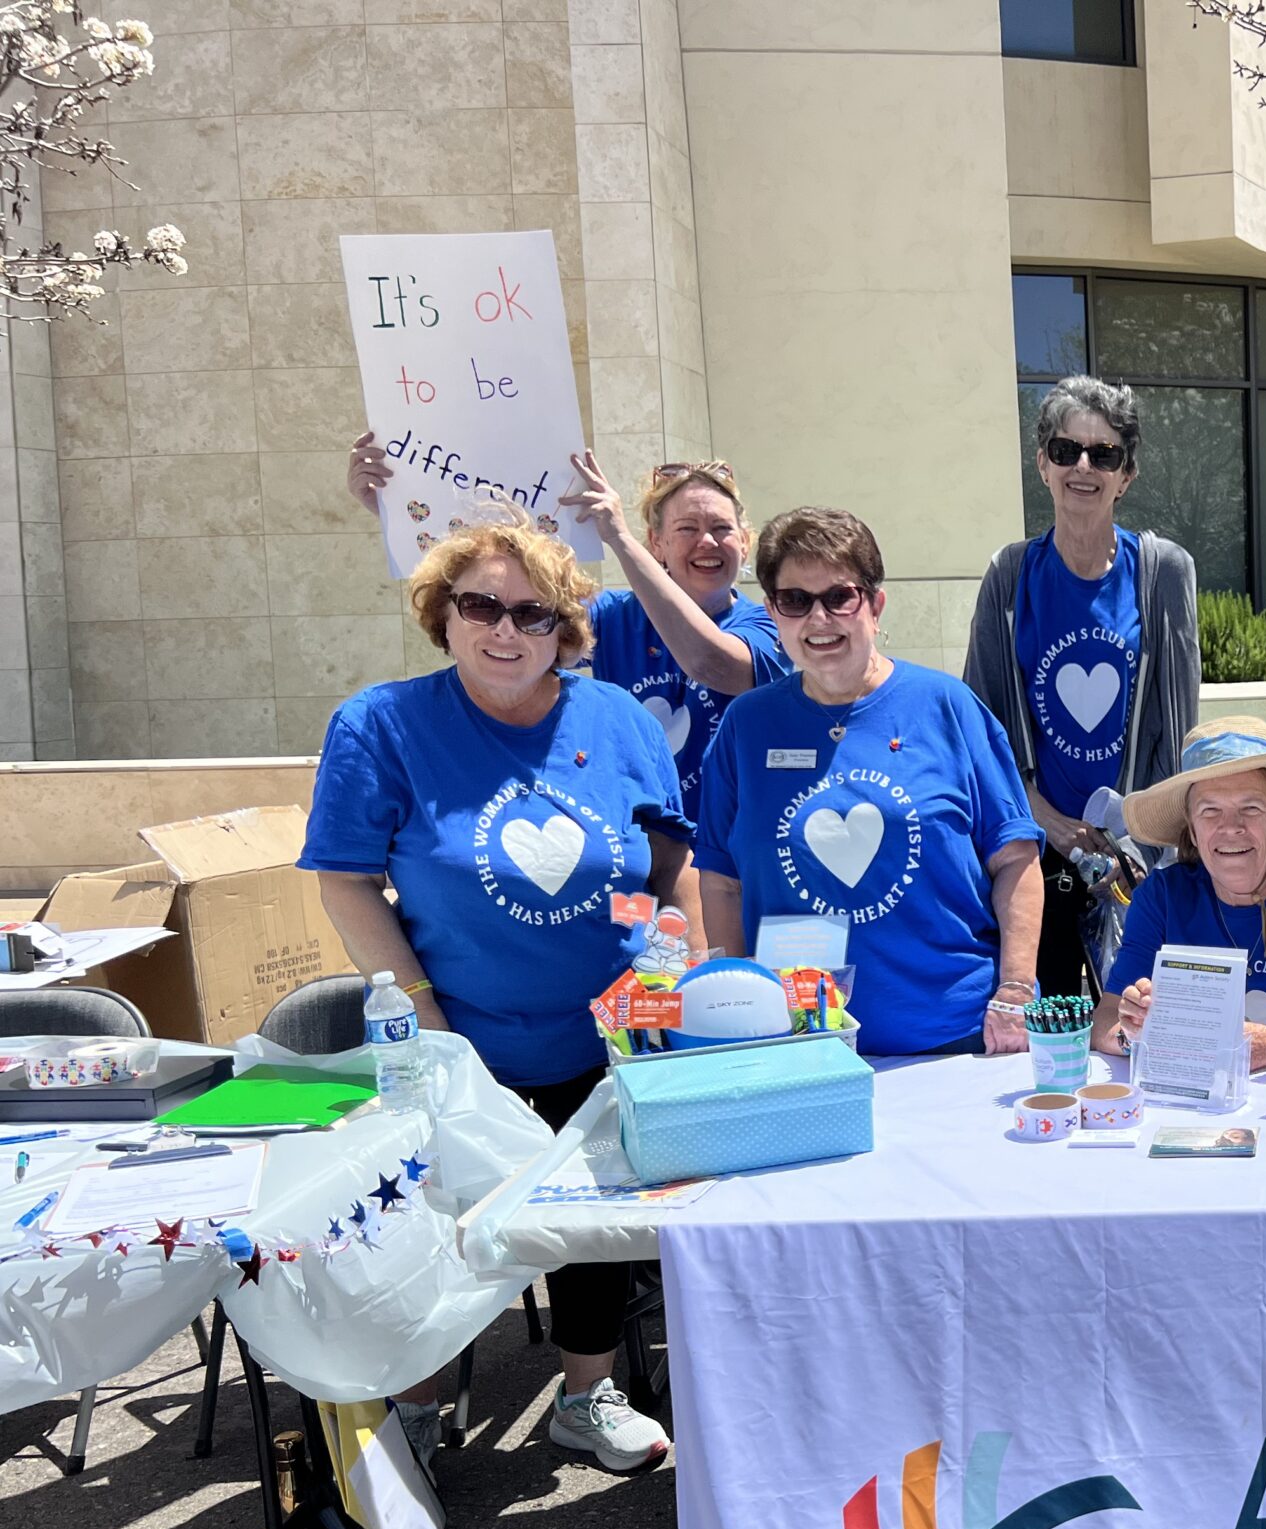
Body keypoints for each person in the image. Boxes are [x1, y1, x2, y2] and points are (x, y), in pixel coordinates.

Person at [300, 511, 692, 1475]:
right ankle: (422, 1404)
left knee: (593, 1223)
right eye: (482, 606)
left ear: (565, 626)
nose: (507, 631)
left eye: (533, 612)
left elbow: (668, 853)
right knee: (437, 1221)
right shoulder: (381, 725)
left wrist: (665, 958)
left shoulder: (618, 721)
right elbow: (345, 877)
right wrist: (421, 1006)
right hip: (453, 1036)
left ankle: (586, 1392)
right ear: (445, 615)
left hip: (604, 1035)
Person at [694, 507, 1044, 1055]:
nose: (819, 619)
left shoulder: (947, 706)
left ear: (875, 606)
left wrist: (1016, 990)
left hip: (955, 1036)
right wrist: (739, 1007)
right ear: (773, 614)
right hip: (803, 1045)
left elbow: (1016, 858)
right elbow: (719, 880)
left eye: (839, 597)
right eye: (796, 601)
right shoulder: (747, 725)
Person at [348, 438, 787, 807]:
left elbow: (713, 664)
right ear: (657, 543)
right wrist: (401, 515)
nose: (707, 541)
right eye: (687, 528)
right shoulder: (614, 616)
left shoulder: (771, 626)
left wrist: (616, 536)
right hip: (645, 847)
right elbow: (509, 604)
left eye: (723, 529)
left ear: (745, 544)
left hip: (730, 859)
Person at [965, 375, 1200, 995]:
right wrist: (1052, 823)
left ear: (1127, 474)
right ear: (1043, 463)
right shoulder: (1010, 575)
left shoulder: (1163, 572)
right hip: (1037, 853)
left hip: (1135, 852)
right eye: (1067, 450)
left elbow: (1178, 725)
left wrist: (1142, 835)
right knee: (1052, 1027)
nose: (1084, 466)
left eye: (1105, 454)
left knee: (1139, 1022)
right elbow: (982, 729)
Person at [1099, 718, 1266, 1072]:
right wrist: (1133, 1032)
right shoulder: (1162, 897)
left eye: (1251, 808)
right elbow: (1106, 1022)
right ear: (1193, 831)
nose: (1231, 827)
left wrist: (1257, 1044)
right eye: (1210, 810)